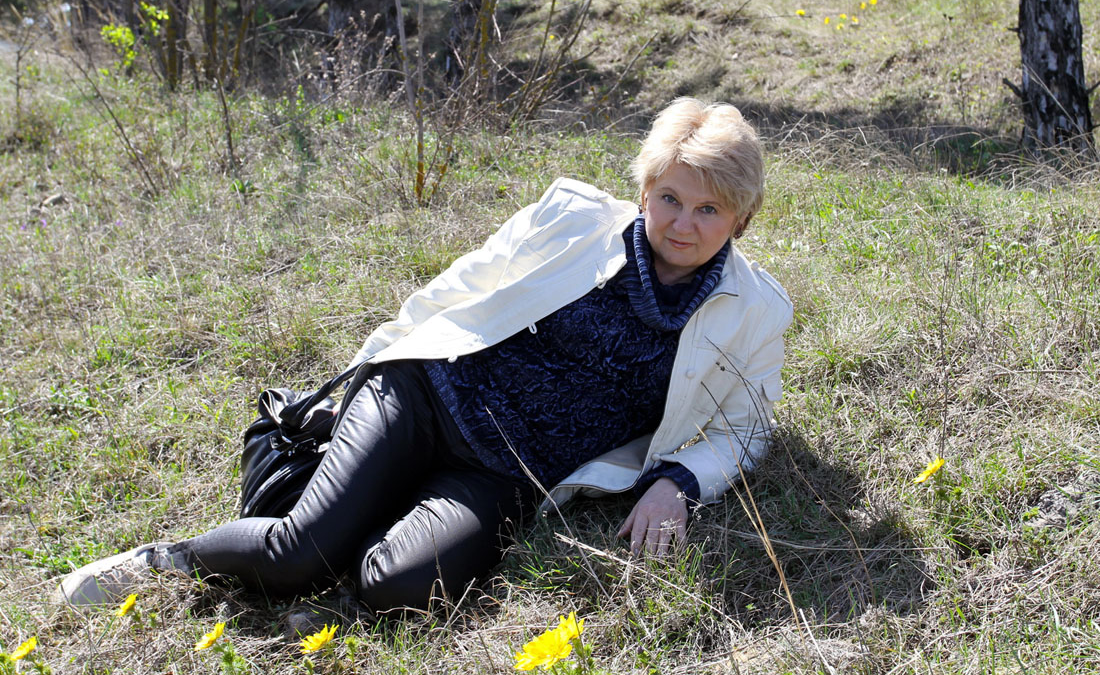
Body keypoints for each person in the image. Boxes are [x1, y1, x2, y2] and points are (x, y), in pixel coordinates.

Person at [54, 98, 793, 612]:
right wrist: (379, 357)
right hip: (428, 393)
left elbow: (747, 427)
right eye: (669, 197)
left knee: (401, 588)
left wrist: (678, 482)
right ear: (644, 191)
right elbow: (460, 284)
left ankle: (357, 516)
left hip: (506, 471)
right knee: (295, 557)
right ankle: (165, 560)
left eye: (707, 209)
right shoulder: (573, 219)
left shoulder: (754, 310)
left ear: (741, 217)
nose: (682, 223)